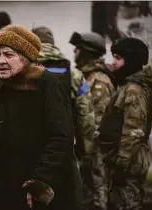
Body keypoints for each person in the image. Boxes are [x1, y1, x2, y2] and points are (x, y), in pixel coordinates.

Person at [0, 25, 82, 210]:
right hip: (3, 191)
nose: (0, 61)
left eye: (8, 55)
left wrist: (39, 183)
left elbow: (60, 138)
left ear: (25, 57)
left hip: (41, 192)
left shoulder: (46, 84)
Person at [32, 26, 97, 209]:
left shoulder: (25, 72)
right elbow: (87, 118)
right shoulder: (74, 74)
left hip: (31, 153)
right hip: (66, 150)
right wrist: (87, 153)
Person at [98, 38, 152, 210]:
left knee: (126, 204)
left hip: (127, 165)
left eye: (118, 57)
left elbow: (133, 130)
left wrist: (121, 165)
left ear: (130, 60)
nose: (113, 62)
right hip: (122, 161)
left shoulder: (134, 89)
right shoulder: (130, 85)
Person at [69, 31, 117, 210]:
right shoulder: (86, 76)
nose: (74, 53)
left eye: (77, 49)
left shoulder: (98, 81)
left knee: (98, 195)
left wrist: (89, 151)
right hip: (87, 148)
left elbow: (97, 121)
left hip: (96, 150)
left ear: (87, 51)